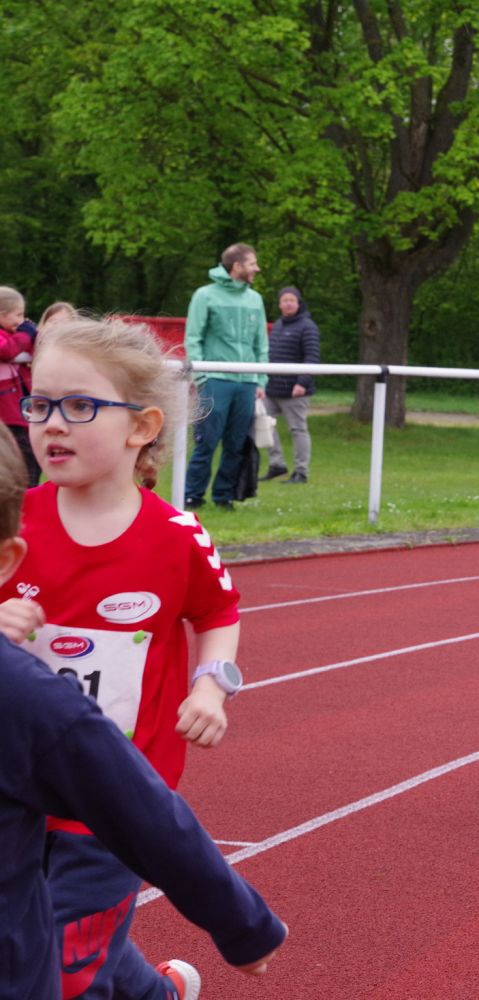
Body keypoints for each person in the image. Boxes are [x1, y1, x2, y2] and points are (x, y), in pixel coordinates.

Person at [3, 317, 249, 998]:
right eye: (40, 404)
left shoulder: (175, 536)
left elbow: (217, 613)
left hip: (116, 790)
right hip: (21, 784)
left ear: (141, 427)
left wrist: (210, 686)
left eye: (80, 406)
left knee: (65, 967)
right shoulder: (15, 521)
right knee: (44, 938)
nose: (52, 424)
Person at [183, 242, 268, 510]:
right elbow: (193, 338)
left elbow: (261, 343)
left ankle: (224, 496)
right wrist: (201, 376)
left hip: (247, 381)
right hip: (215, 379)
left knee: (237, 443)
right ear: (237, 266)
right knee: (206, 442)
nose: (257, 268)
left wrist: (261, 379)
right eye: (252, 263)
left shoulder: (255, 299)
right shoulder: (204, 295)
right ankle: (192, 496)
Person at [260, 286, 321, 484]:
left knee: (297, 429)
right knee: (262, 423)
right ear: (279, 304)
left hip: (295, 390)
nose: (288, 304)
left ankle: (301, 471)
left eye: (291, 300)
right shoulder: (278, 325)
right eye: (284, 300)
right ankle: (277, 464)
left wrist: (302, 382)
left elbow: (312, 357)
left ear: (298, 303)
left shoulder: (307, 327)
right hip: (272, 389)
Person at [0, 286, 40, 486]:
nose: (21, 320)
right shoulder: (6, 338)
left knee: (33, 459)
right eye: (18, 315)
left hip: (22, 410)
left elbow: (34, 350)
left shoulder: (13, 334)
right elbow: (7, 351)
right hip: (7, 415)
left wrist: (33, 335)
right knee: (22, 460)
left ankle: (28, 493)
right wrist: (25, 334)